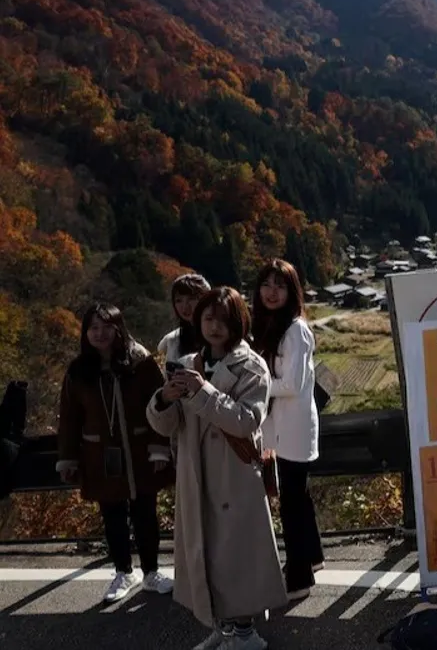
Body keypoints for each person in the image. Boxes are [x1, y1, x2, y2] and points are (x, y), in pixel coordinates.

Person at [147, 287, 287, 650]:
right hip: (195, 473)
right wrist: (164, 399)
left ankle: (245, 634)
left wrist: (203, 392)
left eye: (223, 320)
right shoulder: (187, 362)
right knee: (206, 553)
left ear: (238, 323)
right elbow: (166, 425)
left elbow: (247, 421)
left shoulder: (252, 366)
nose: (214, 326)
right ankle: (222, 628)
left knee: (236, 556)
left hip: (233, 475)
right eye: (208, 318)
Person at [56, 304, 175, 602]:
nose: (100, 334)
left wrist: (159, 449)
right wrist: (68, 458)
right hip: (99, 455)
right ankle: (124, 571)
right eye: (93, 328)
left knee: (145, 513)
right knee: (112, 516)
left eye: (107, 327)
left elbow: (160, 404)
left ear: (119, 328)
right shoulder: (78, 370)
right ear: (85, 333)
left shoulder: (140, 362)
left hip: (140, 452)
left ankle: (151, 572)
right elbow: (69, 418)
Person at [251, 259, 324, 600]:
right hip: (281, 427)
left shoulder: (295, 330)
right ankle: (313, 557)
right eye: (266, 285)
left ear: (291, 291)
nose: (271, 292)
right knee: (299, 497)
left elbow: (292, 384)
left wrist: (257, 385)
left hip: (292, 429)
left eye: (279, 286)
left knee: (291, 503)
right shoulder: (270, 326)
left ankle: (299, 578)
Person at [159, 274, 212, 364]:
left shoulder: (219, 336)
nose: (185, 306)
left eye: (192, 299)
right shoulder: (170, 341)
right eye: (179, 300)